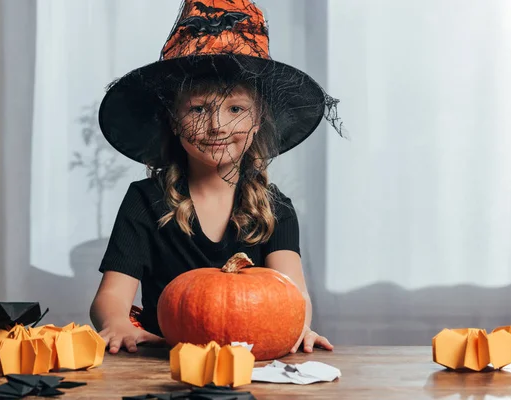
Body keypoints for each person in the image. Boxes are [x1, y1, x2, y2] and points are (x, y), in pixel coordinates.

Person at [89, 0, 344, 356]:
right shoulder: (145, 200)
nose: (217, 126)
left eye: (236, 109)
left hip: (251, 364)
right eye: (197, 109)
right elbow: (111, 296)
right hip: (162, 361)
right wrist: (115, 322)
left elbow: (292, 293)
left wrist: (300, 327)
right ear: (174, 121)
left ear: (257, 122)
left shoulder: (275, 209)